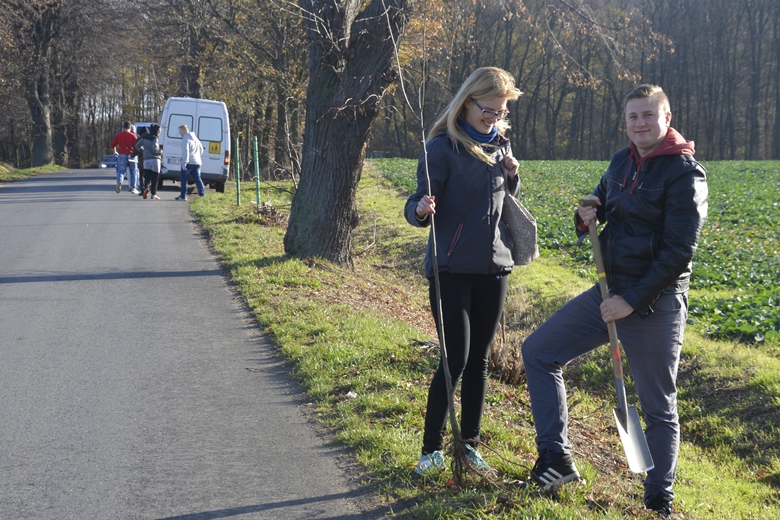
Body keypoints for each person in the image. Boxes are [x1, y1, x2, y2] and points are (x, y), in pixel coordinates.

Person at [520, 84, 708, 517]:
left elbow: (680, 250)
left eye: (647, 115)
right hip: (606, 291)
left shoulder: (685, 173)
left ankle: (659, 497)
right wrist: (585, 214)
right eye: (632, 117)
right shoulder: (622, 161)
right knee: (539, 352)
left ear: (666, 118)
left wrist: (633, 302)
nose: (639, 124)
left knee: (658, 406)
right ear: (625, 123)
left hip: (654, 304)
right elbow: (599, 202)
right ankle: (556, 458)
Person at [404, 67, 522, 476]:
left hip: (494, 267)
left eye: (501, 112)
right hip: (450, 266)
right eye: (488, 111)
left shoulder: (500, 146)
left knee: (480, 362)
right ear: (468, 102)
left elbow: (499, 203)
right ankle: (431, 450)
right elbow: (417, 201)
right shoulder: (442, 148)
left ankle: (469, 447)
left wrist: (512, 176)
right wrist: (420, 211)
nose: (494, 118)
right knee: (455, 356)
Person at [176, 124, 205, 201]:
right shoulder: (195, 139)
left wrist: (184, 162)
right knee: (198, 178)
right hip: (197, 162)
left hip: (189, 162)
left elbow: (186, 152)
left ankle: (183, 195)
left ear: (183, 130)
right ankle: (202, 194)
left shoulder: (185, 140)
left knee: (184, 179)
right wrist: (198, 156)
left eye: (180, 131)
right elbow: (201, 149)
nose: (180, 133)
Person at [109, 122, 139, 194]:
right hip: (132, 156)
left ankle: (120, 181)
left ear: (123, 127)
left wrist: (115, 151)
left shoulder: (118, 135)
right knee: (133, 172)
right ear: (130, 127)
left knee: (121, 171)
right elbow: (137, 147)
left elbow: (112, 145)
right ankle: (133, 187)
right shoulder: (134, 136)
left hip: (122, 155)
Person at [135, 124, 163, 200]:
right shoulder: (155, 138)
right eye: (159, 130)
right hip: (155, 160)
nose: (159, 132)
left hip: (146, 159)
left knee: (147, 176)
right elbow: (155, 150)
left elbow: (137, 146)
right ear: (155, 131)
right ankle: (153, 194)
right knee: (155, 177)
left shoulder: (144, 137)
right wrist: (160, 151)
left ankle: (146, 188)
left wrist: (143, 151)